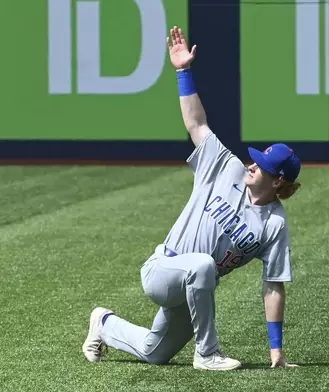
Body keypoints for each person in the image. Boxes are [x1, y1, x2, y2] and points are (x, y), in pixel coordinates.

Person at [81, 26, 301, 371]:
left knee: (156, 352)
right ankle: (208, 353)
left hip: (193, 290)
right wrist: (183, 71)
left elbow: (273, 286)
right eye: (256, 158)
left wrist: (277, 353)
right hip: (163, 270)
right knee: (203, 265)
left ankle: (104, 324)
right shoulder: (226, 168)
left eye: (264, 165)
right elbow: (197, 124)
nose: (253, 164)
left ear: (279, 182)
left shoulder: (274, 224)